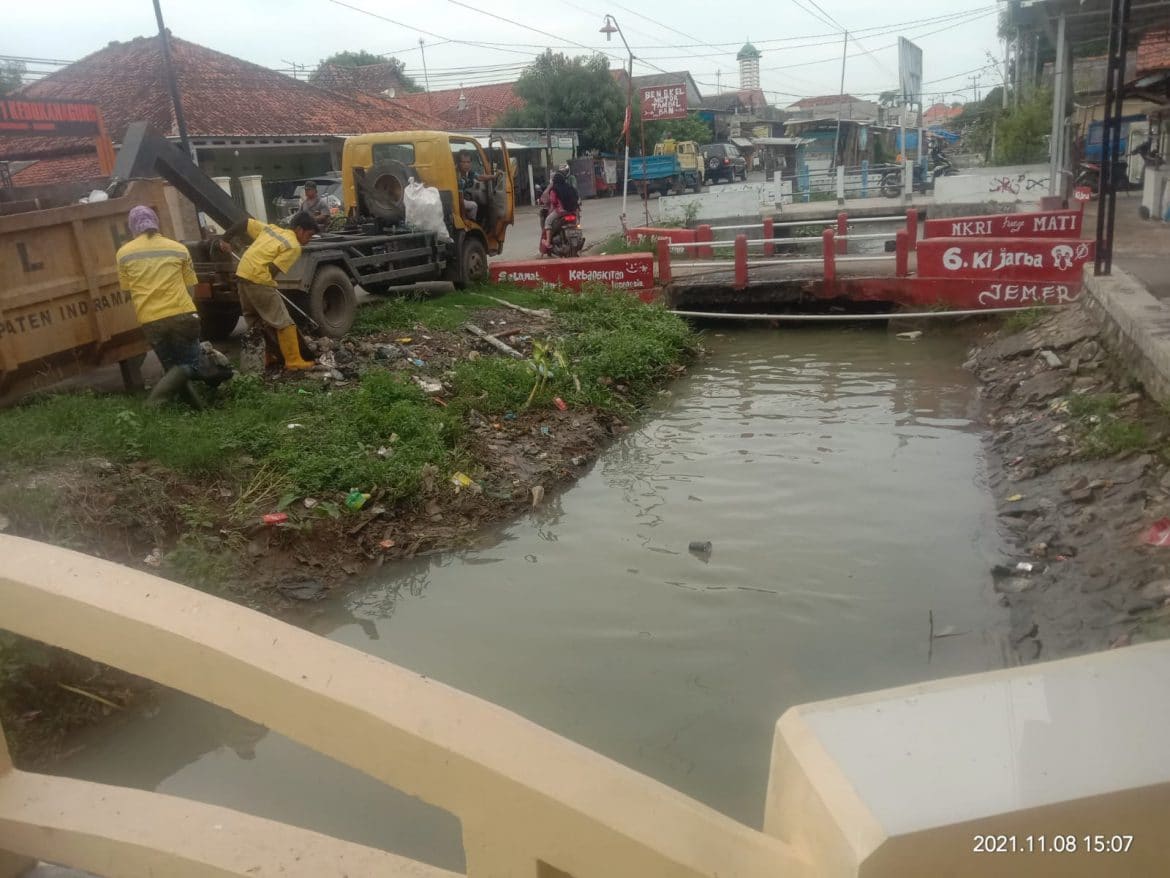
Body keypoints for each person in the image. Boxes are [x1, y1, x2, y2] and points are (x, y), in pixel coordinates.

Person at [116, 205, 207, 408]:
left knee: (172, 368)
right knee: (191, 366)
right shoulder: (178, 248)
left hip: (150, 319)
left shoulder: (123, 253)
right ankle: (153, 403)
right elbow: (190, 287)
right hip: (182, 314)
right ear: (155, 223)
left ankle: (200, 410)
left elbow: (127, 292)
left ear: (133, 226)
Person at [233, 212, 318, 370]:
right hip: (258, 278)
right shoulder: (294, 246)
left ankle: (265, 357)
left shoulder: (272, 229)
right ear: (299, 230)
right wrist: (268, 286)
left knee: (255, 320)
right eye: (309, 235)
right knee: (284, 321)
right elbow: (272, 270)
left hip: (242, 275)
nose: (309, 239)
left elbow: (244, 222)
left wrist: (224, 240)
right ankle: (294, 361)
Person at [540, 171, 579, 255]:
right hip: (572, 212)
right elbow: (577, 197)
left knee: (548, 221)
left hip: (561, 212)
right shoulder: (570, 187)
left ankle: (548, 242)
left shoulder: (554, 189)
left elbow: (553, 201)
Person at [456, 151, 493, 221]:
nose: (466, 165)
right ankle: (471, 223)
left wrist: (493, 176)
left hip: (461, 198)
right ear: (458, 163)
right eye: (463, 162)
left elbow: (480, 177)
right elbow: (460, 200)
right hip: (456, 200)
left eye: (468, 162)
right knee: (473, 206)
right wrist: (464, 218)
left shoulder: (468, 173)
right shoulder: (458, 177)